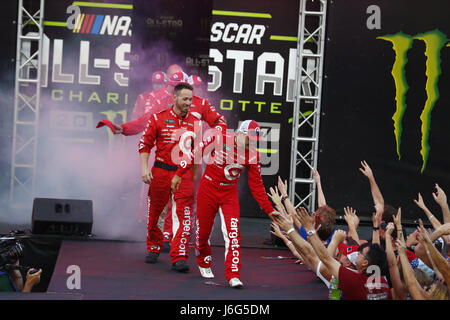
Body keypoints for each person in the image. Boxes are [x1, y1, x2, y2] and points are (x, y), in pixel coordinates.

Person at [171, 120, 276, 288]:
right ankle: (204, 260)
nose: (252, 142)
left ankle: (233, 274)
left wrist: (269, 210)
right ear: (240, 134)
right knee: (202, 234)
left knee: (233, 235)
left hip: (229, 194)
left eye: (255, 140)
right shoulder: (219, 138)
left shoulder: (254, 155)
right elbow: (194, 154)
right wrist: (178, 174)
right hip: (208, 190)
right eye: (249, 138)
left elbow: (257, 186)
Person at [139, 82, 198, 272]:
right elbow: (145, 145)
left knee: (183, 217)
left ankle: (179, 257)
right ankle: (154, 247)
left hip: (184, 174)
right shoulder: (158, 118)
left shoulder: (195, 122)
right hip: (160, 171)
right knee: (154, 214)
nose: (188, 102)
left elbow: (196, 153)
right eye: (185, 99)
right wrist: (144, 169)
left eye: (191, 99)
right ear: (175, 98)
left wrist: (193, 176)